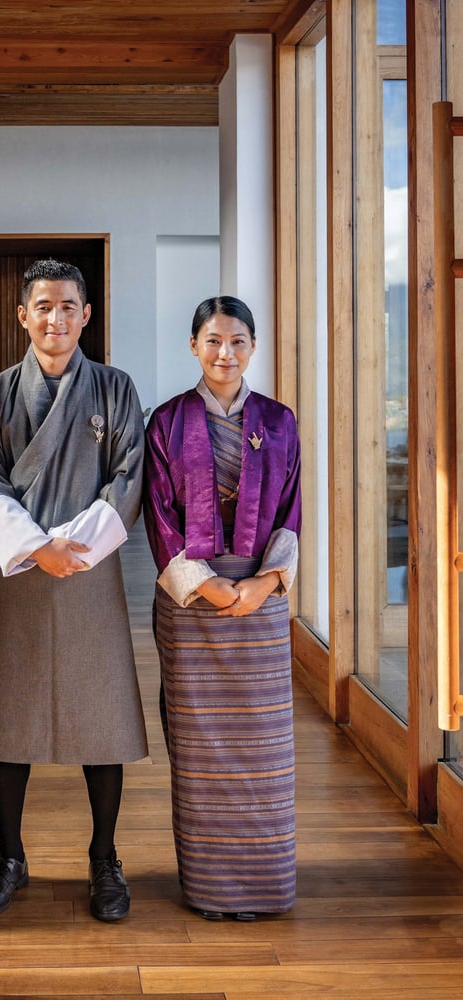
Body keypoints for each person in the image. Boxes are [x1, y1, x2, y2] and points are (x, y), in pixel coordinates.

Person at [0, 259, 147, 922]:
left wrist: (72, 546)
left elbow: (129, 478)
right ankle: (9, 855)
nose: (56, 319)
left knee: (101, 720)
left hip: (89, 572)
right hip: (22, 571)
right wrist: (37, 546)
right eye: (43, 306)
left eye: (69, 306)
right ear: (23, 315)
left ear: (87, 314)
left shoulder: (115, 389)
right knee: (12, 720)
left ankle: (106, 857)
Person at [143, 295, 301, 922]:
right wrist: (204, 585)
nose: (225, 353)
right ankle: (210, 887)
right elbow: (157, 516)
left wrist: (265, 585)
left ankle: (266, 883)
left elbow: (290, 510)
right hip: (192, 605)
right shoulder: (167, 423)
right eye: (212, 341)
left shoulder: (279, 421)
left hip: (259, 605)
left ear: (253, 347)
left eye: (237, 341)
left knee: (264, 750)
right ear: (193, 346)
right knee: (201, 748)